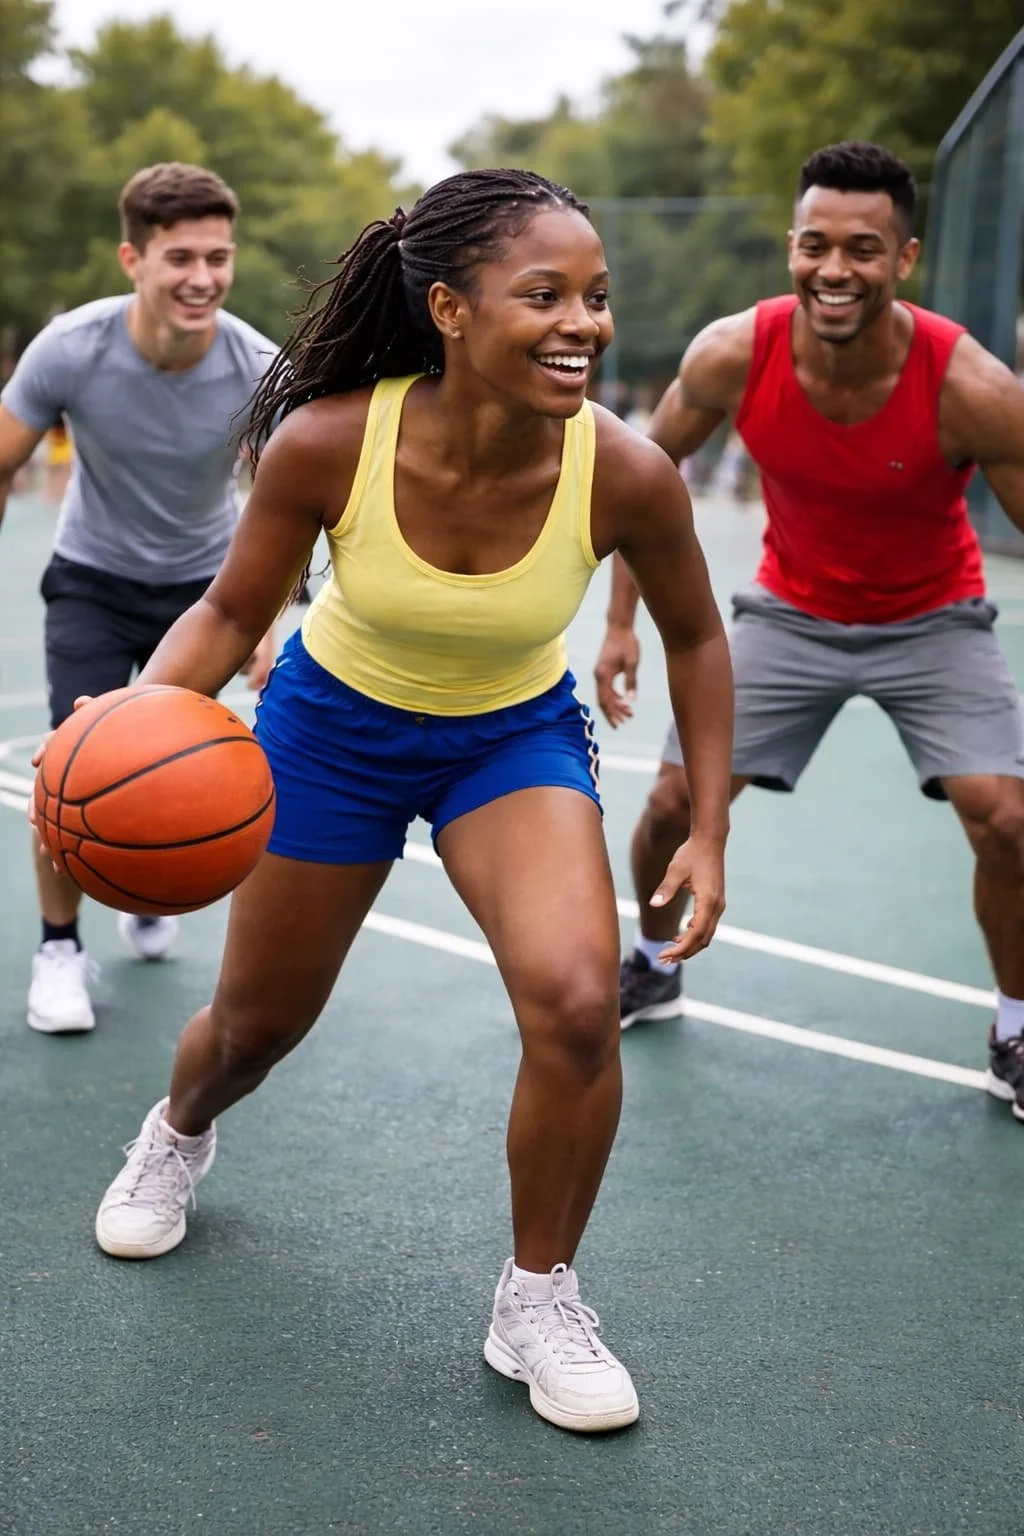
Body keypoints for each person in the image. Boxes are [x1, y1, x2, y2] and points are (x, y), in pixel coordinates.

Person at [85, 169, 734, 1433]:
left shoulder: (628, 471)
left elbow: (700, 640)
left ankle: (535, 1294)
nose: (582, 323)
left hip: (508, 740)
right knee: (253, 1028)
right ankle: (176, 1129)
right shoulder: (331, 439)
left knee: (576, 1002)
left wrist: (708, 823)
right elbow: (229, 611)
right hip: (331, 733)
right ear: (446, 308)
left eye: (596, 298)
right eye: (541, 295)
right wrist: (138, 721)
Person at [594, 141, 1024, 1124]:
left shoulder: (974, 387)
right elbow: (638, 482)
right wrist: (619, 626)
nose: (836, 270)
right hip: (789, 613)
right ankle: (653, 963)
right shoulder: (731, 353)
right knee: (669, 805)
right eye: (816, 246)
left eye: (864, 250)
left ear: (903, 260)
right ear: (791, 247)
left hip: (933, 618)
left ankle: (1014, 1025)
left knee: (1004, 821)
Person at [0, 162, 278, 1035]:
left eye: (218, 257)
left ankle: (145, 882)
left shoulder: (257, 365)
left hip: (208, 594)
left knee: (171, 778)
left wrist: (267, 623)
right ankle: (58, 950)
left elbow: (287, 509)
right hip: (91, 575)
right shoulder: (70, 349)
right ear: (134, 258)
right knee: (68, 766)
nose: (203, 278)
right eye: (181, 257)